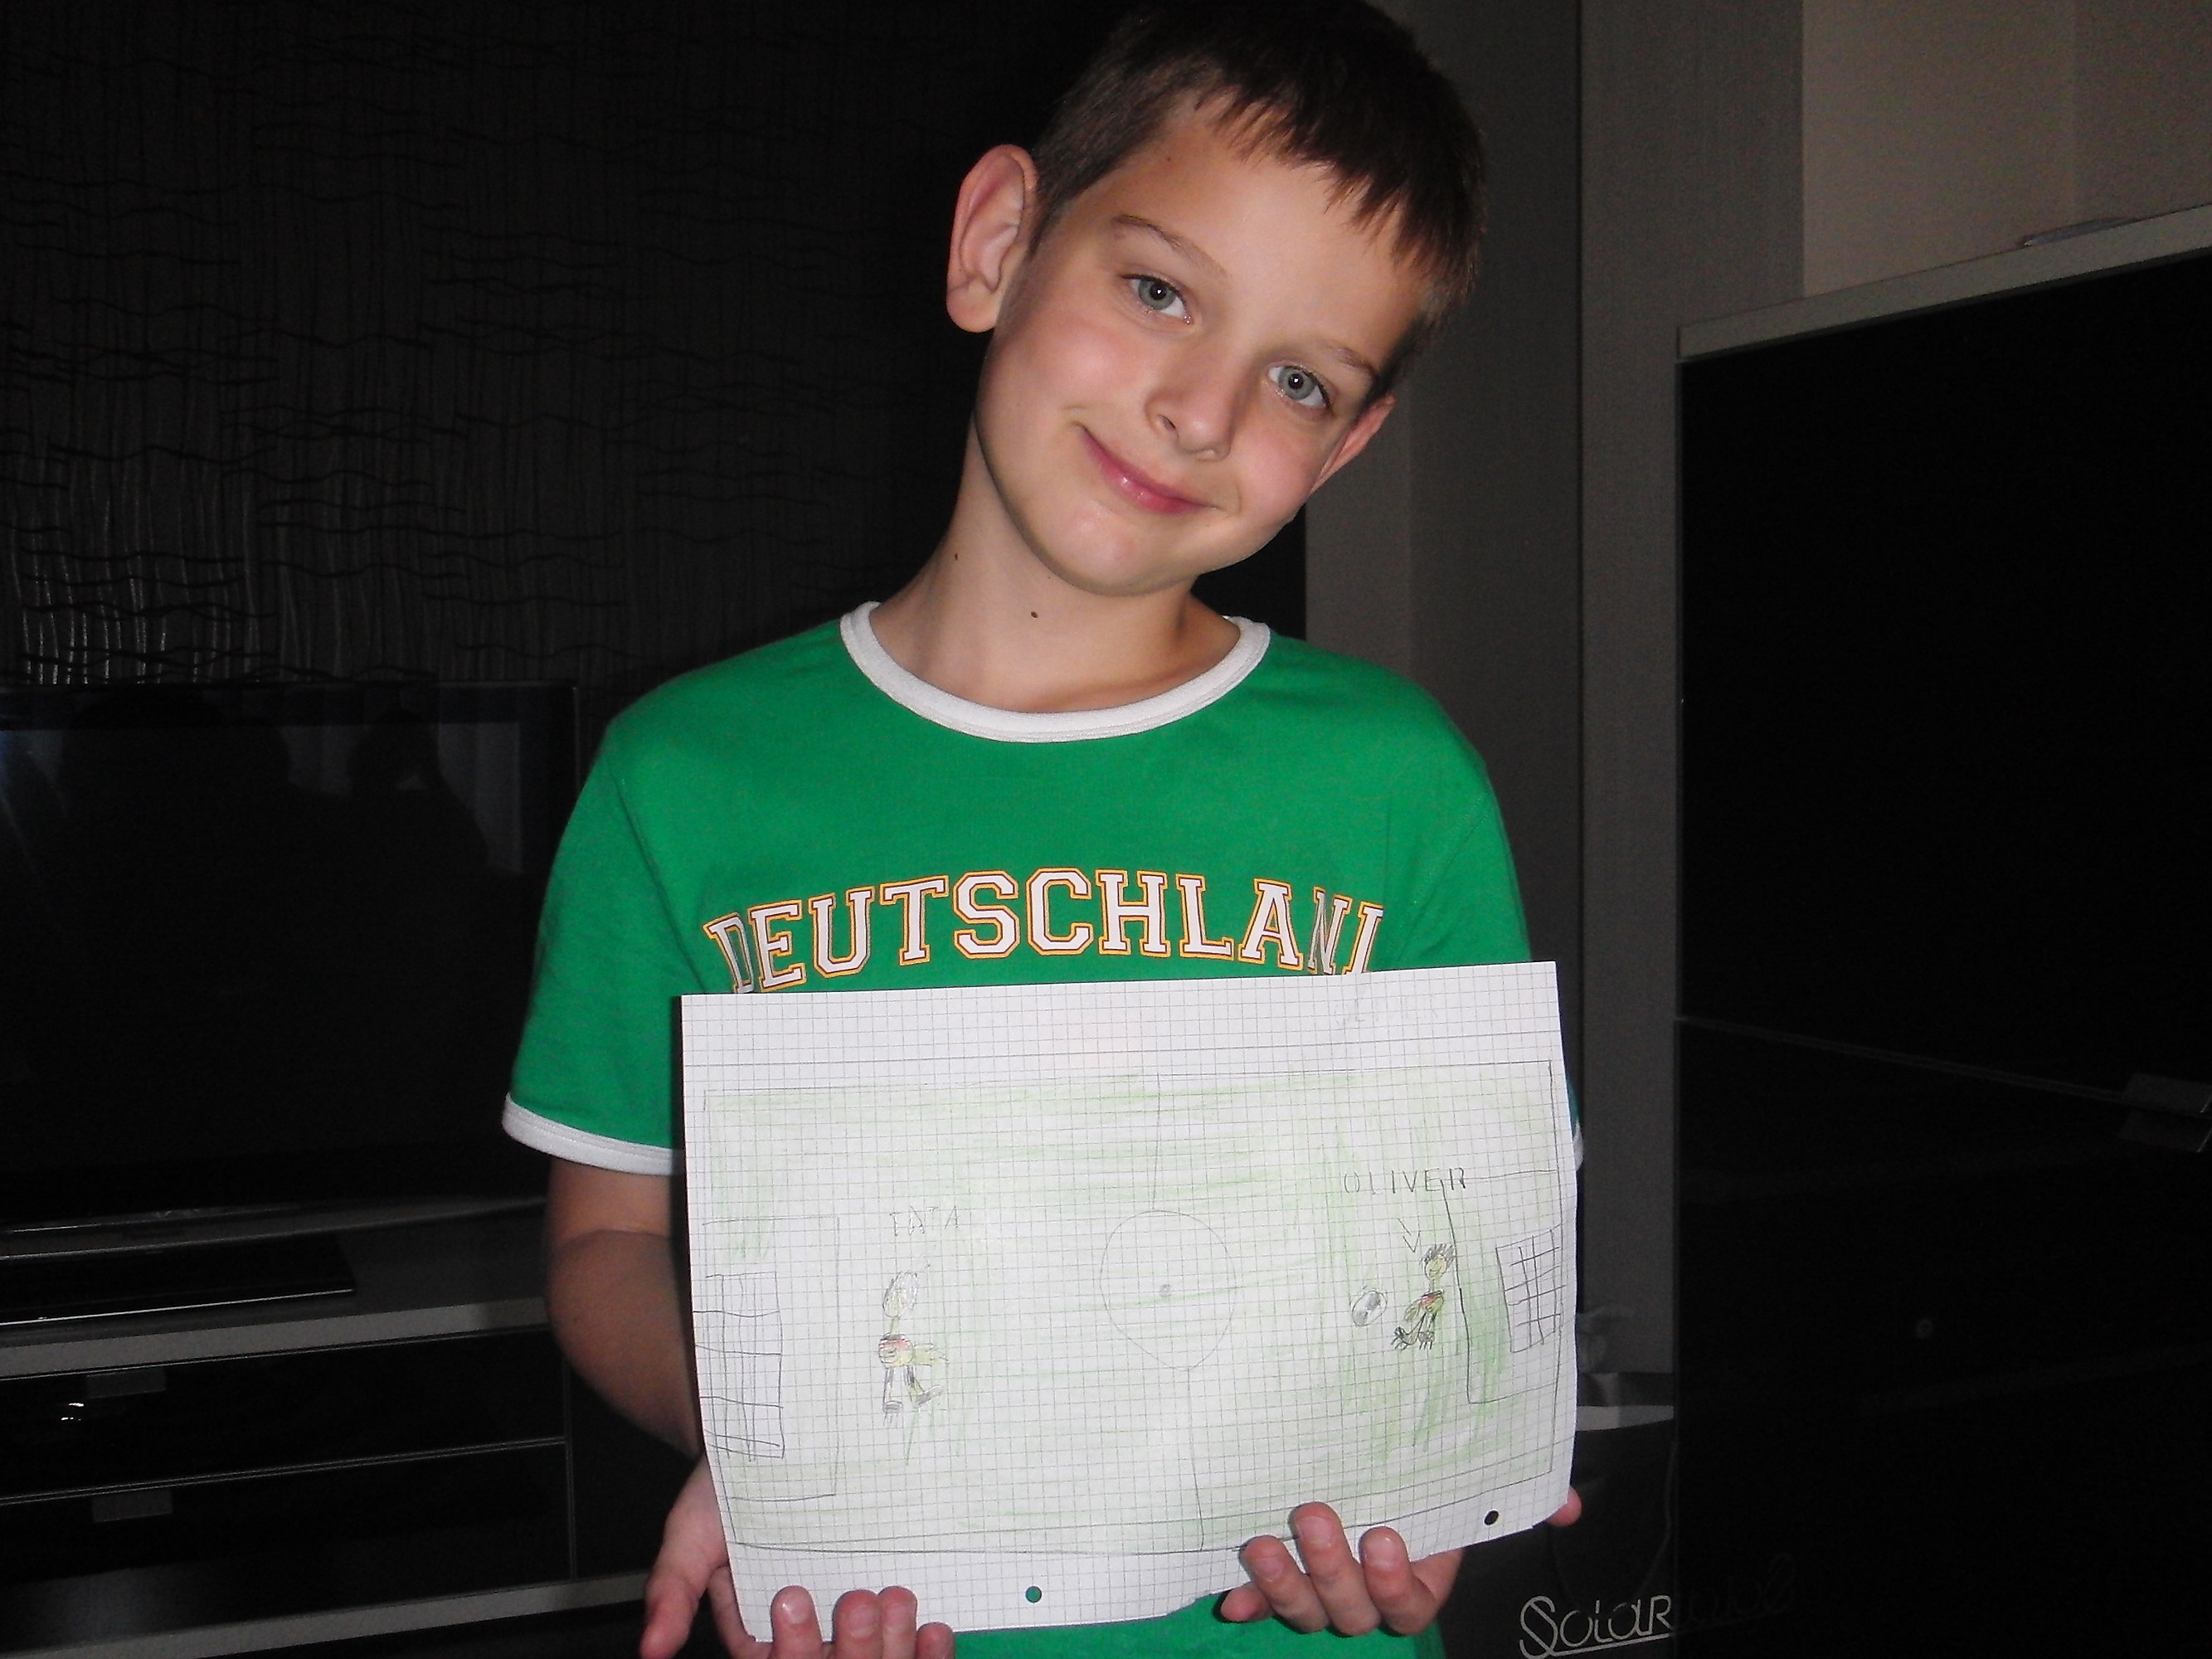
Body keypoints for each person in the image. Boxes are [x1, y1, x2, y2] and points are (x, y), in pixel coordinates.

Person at [503, 3, 1579, 1655]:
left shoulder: (1397, 784)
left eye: (1299, 380)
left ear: (1349, 443)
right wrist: (777, 1452)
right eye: (1158, 291)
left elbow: (1473, 1246)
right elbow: (604, 1236)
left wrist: (1432, 1483)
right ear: (997, 242)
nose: (1200, 411)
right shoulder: (682, 778)